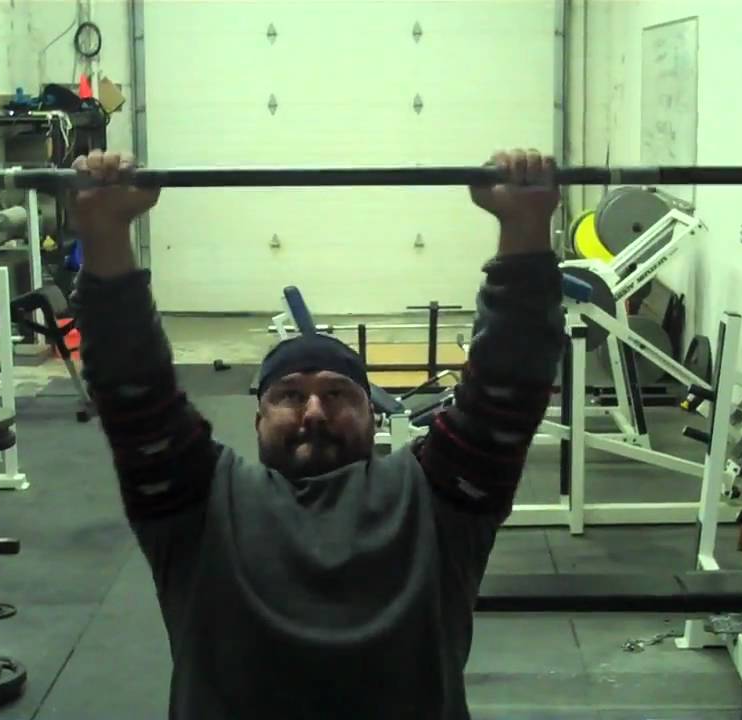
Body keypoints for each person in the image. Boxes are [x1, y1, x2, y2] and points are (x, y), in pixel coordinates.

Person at [71, 148, 565, 720]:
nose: (313, 412)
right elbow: (131, 385)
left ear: (373, 415)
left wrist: (525, 228)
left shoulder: (435, 500)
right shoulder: (199, 506)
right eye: (289, 395)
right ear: (257, 418)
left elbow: (509, 381)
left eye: (337, 395)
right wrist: (105, 234)